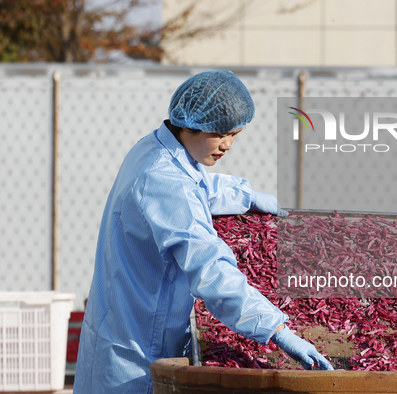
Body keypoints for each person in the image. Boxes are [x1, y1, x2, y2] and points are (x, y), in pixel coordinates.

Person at [74, 70, 333, 394]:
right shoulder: (165, 182)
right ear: (190, 123)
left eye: (234, 134)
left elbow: (194, 187)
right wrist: (277, 329)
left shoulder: (153, 149)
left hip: (123, 330)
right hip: (136, 358)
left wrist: (246, 196)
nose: (227, 145)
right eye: (220, 134)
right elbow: (210, 270)